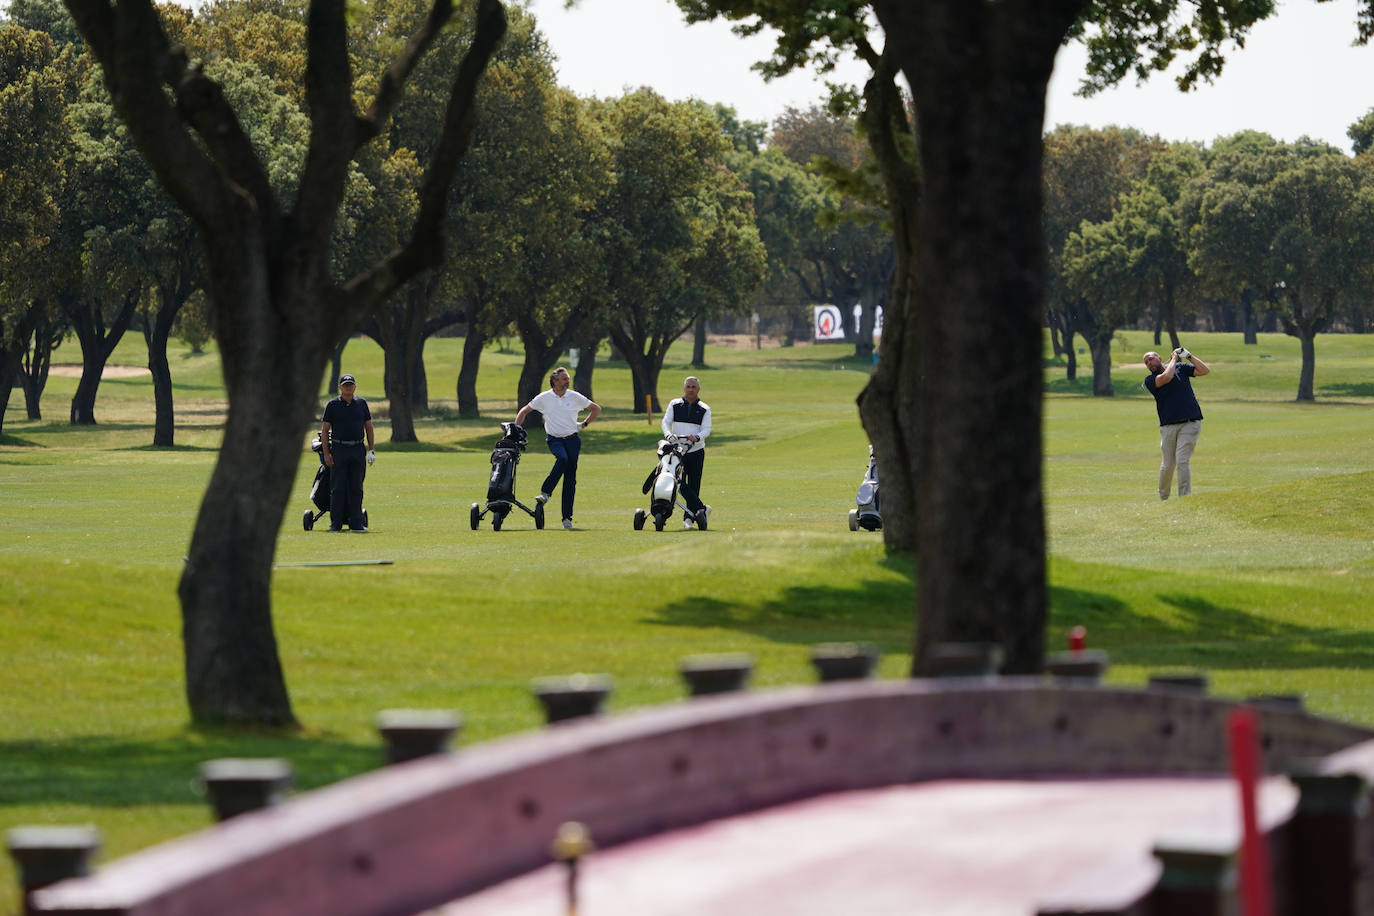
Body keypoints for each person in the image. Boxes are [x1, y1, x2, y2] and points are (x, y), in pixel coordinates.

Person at [515, 367, 600, 529]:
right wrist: (516, 430)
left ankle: (566, 518)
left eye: (568, 379)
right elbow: (524, 411)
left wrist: (584, 424)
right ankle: (545, 493)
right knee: (562, 459)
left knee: (570, 480)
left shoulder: (574, 396)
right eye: (564, 379)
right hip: (554, 440)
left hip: (573, 440)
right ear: (555, 381)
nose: (567, 381)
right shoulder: (544, 398)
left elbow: (596, 409)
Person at [1143, 347, 1210, 501]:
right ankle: (1164, 497)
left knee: (1182, 460)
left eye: (1151, 359)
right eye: (1146, 362)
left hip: (1190, 423)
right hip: (1168, 426)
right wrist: (1174, 358)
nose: (1149, 363)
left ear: (1159, 358)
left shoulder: (1181, 368)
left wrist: (1188, 356)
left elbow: (1205, 370)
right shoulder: (1150, 380)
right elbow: (1167, 377)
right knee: (1168, 465)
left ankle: (1184, 498)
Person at [320, 373, 376, 531]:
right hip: (339, 449)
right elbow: (325, 430)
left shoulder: (361, 403)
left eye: (350, 385)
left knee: (356, 487)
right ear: (340, 387)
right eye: (345, 385)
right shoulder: (332, 405)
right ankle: (336, 524)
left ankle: (356, 523)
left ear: (355, 386)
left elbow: (369, 427)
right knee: (337, 488)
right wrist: (326, 453)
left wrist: (371, 449)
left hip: (358, 449)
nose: (348, 387)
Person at [662, 375, 712, 529]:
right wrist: (668, 434)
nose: (691, 390)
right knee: (680, 484)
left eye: (694, 387)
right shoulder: (675, 404)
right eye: (688, 387)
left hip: (696, 451)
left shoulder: (704, 408)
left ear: (698, 389)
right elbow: (665, 422)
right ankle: (702, 509)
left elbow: (706, 429)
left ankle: (688, 519)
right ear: (684, 388)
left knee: (694, 485)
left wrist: (697, 437)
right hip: (679, 451)